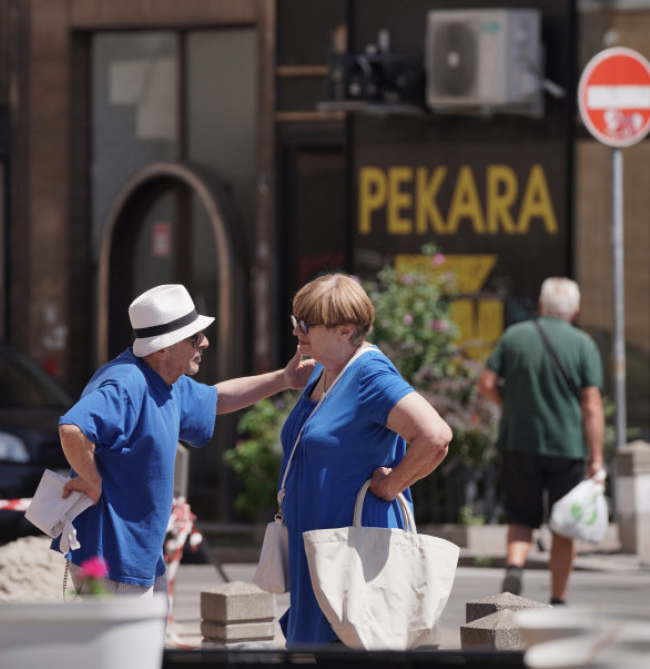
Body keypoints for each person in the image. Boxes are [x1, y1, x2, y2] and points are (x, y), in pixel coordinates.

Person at [57, 283, 314, 597]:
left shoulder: (165, 380)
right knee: (128, 648)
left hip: (137, 559)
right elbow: (73, 429)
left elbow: (216, 399)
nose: (204, 342)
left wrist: (284, 379)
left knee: (147, 647)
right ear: (163, 348)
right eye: (194, 338)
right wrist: (91, 479)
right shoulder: (127, 382)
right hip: (114, 562)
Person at [280, 273, 452, 646]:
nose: (298, 331)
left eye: (307, 324)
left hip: (353, 553)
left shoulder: (370, 375)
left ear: (344, 331)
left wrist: (391, 485)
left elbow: (436, 438)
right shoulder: (326, 370)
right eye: (296, 321)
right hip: (323, 551)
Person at [477, 277, 605, 605]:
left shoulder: (515, 336)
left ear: (540, 306)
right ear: (574, 311)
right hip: (567, 446)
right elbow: (591, 405)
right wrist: (597, 458)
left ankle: (515, 567)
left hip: (517, 441)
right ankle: (558, 598)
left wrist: (510, 405)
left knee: (521, 517)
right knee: (563, 523)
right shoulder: (583, 344)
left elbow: (487, 383)